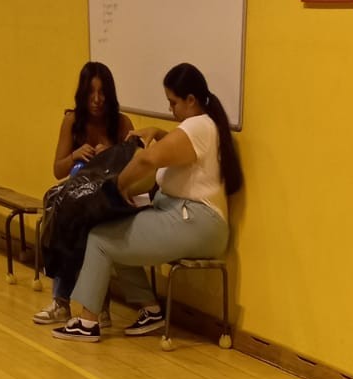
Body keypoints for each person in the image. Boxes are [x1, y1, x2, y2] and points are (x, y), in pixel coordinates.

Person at [52, 61, 243, 343]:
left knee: (101, 239)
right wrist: (158, 131)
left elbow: (148, 159)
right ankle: (150, 310)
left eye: (173, 102)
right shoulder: (205, 126)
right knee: (118, 227)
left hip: (196, 222)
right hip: (193, 220)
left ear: (191, 101)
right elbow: (183, 150)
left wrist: (117, 186)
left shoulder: (198, 125)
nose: (171, 110)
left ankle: (88, 321)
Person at [34, 62, 134, 328]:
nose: (97, 100)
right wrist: (75, 156)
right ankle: (62, 301)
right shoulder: (72, 121)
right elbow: (58, 169)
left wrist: (110, 155)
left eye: (102, 93)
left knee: (89, 229)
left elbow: (132, 166)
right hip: (78, 199)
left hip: (109, 200)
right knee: (65, 218)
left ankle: (97, 304)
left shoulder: (122, 123)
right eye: (91, 93)